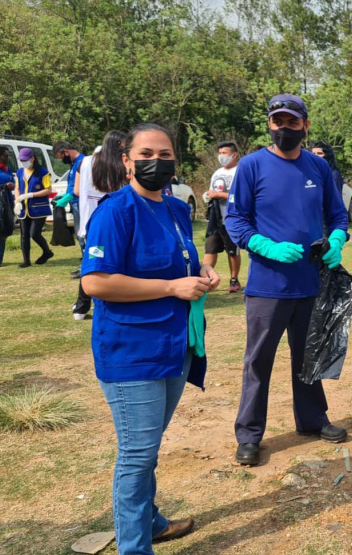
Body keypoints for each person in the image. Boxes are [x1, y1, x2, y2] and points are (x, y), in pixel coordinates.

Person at [81, 123, 219, 554]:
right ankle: (135, 546)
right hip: (131, 352)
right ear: (126, 161)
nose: (156, 162)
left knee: (149, 446)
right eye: (146, 153)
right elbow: (96, 284)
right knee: (137, 453)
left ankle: (151, 520)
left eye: (165, 154)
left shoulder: (177, 209)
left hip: (174, 346)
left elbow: (182, 264)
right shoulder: (115, 212)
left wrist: (201, 274)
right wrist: (171, 288)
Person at [225, 94, 350, 466]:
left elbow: (338, 216)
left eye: (292, 122)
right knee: (258, 361)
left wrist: (338, 240)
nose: (284, 129)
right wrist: (265, 245)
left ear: (305, 125)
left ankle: (312, 419)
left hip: (311, 282)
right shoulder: (251, 166)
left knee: (309, 354)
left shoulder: (318, 168)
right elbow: (236, 222)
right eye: (278, 122)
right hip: (267, 284)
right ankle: (249, 434)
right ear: (269, 124)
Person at [71, 130, 128, 320]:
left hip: (90, 220)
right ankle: (108, 302)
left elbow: (77, 190)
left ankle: (80, 307)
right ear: (118, 144)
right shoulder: (120, 164)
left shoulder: (85, 162)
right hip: (114, 219)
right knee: (116, 262)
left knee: (91, 262)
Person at [203, 141, 242, 293]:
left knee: (232, 251)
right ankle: (206, 278)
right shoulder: (217, 173)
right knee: (210, 249)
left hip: (232, 218)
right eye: (219, 153)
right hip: (215, 218)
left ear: (234, 154)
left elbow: (240, 196)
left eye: (224, 153)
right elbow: (212, 191)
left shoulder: (240, 172)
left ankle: (234, 279)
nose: (221, 156)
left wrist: (219, 194)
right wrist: (208, 196)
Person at [14, 147, 53, 268]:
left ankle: (47, 252)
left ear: (32, 158)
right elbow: (17, 188)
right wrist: (17, 200)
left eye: (25, 160)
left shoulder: (43, 172)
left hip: (38, 207)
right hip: (23, 208)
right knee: (24, 234)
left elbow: (48, 190)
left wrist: (31, 195)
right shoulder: (20, 172)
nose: (23, 162)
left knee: (34, 234)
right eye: (21, 160)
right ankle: (26, 261)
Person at [53, 140, 86, 276]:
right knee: (80, 236)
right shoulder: (74, 164)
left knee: (84, 236)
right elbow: (73, 185)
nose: (62, 160)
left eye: (61, 157)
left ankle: (86, 267)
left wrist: (68, 197)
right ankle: (84, 265)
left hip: (81, 204)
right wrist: (64, 196)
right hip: (75, 203)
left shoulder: (82, 162)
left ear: (66, 151)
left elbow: (82, 187)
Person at [0, 146, 14, 267]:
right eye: (5, 156)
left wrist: (10, 185)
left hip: (6, 202)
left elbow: (13, 182)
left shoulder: (7, 169)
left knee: (2, 230)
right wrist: (1, 186)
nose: (7, 158)